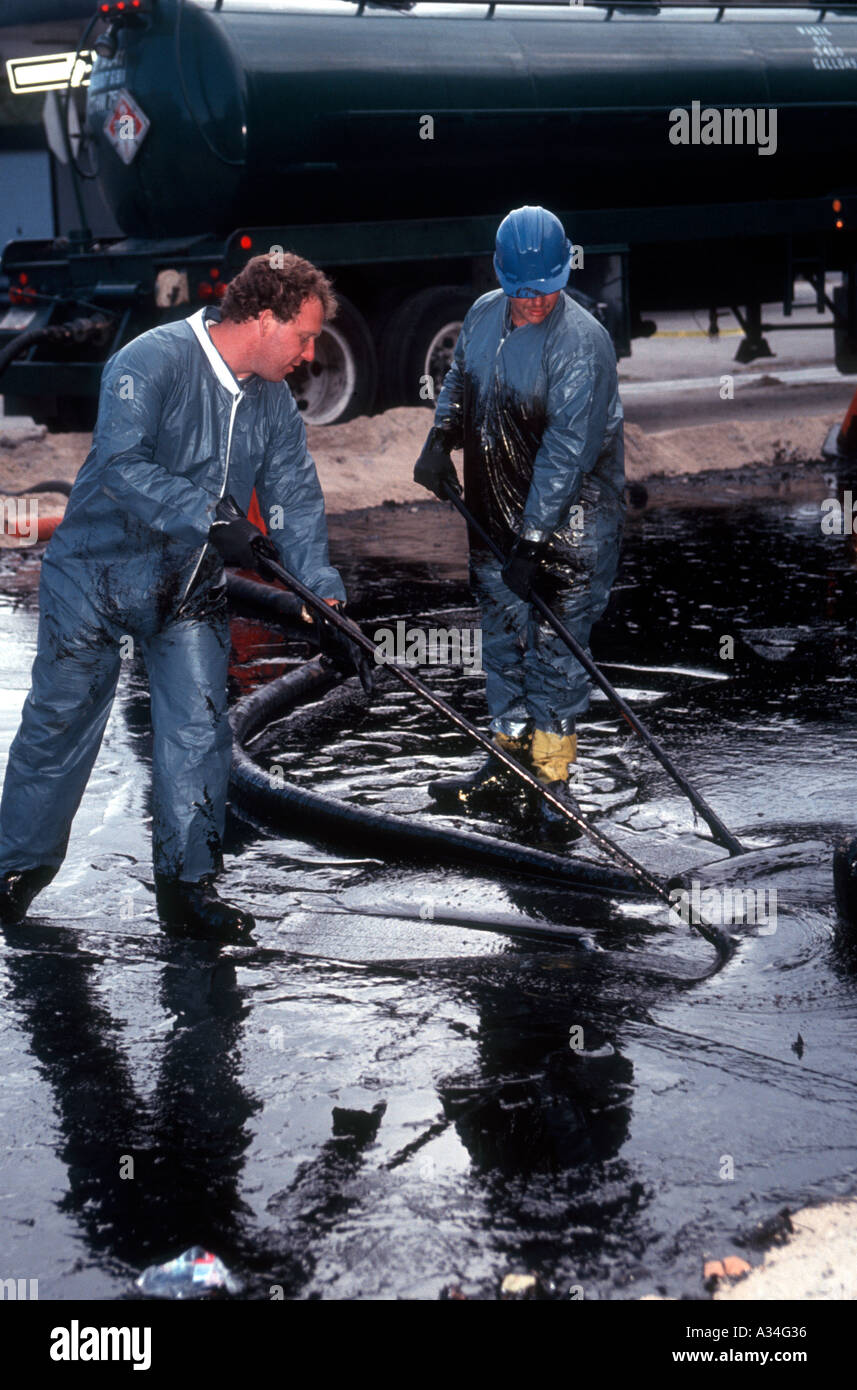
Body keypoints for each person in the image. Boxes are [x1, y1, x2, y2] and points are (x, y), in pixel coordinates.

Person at [0, 253, 359, 937]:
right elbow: (121, 465)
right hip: (96, 576)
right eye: (305, 337)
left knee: (197, 734)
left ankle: (189, 888)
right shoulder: (150, 361)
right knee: (60, 726)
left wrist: (327, 604)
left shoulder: (272, 400)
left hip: (188, 582)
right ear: (263, 318)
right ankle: (15, 872)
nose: (311, 354)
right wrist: (211, 517)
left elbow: (294, 502)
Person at [414, 205, 625, 836]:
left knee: (557, 655)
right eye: (522, 291)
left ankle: (553, 782)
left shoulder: (582, 346)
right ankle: (507, 765)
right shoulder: (482, 314)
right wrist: (440, 437)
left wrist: (534, 543)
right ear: (501, 277)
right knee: (503, 639)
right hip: (495, 512)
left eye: (546, 289)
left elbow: (566, 456)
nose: (534, 302)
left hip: (571, 528)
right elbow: (460, 380)